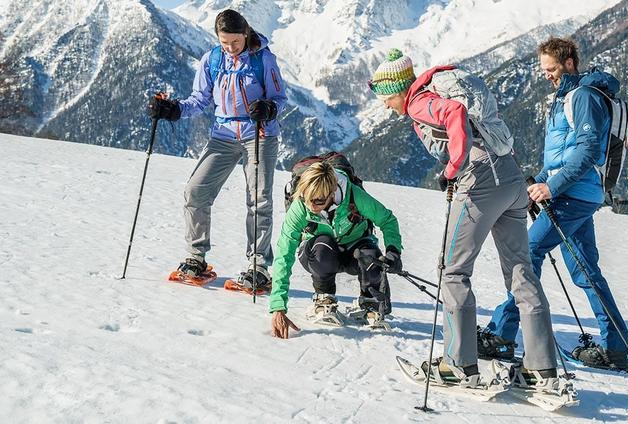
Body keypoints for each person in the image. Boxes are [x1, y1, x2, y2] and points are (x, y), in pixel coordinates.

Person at [368, 49, 560, 390]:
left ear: (398, 90)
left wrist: (452, 168)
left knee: (453, 270)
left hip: (479, 183)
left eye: (385, 98)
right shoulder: (441, 88)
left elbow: (455, 113)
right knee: (520, 271)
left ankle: (458, 364)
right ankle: (541, 368)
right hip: (512, 180)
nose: (386, 105)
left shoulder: (418, 102)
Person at [483, 37, 628, 369]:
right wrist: (539, 178)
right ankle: (616, 348)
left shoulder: (585, 97)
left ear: (569, 62)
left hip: (573, 194)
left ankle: (503, 335)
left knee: (528, 252)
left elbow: (587, 150)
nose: (546, 75)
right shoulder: (568, 97)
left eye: (551, 68)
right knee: (585, 270)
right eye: (543, 69)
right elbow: (562, 154)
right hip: (576, 193)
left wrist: (551, 186)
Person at [146, 9, 287, 289]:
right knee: (195, 191)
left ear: (245, 34)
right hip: (222, 135)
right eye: (225, 43)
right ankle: (196, 258)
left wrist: (268, 108)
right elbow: (199, 100)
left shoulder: (264, 60)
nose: (231, 49)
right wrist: (173, 110)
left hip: (258, 135)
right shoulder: (211, 60)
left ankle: (258, 266)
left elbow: (280, 98)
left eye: (235, 42)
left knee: (258, 201)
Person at [269, 162, 403, 338]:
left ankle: (370, 303)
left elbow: (387, 220)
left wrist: (393, 251)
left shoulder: (353, 196)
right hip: (318, 252)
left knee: (370, 257)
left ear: (332, 193)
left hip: (353, 250)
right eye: (307, 199)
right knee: (322, 248)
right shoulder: (300, 206)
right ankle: (324, 297)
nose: (312, 206)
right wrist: (278, 307)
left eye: (318, 201)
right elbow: (283, 255)